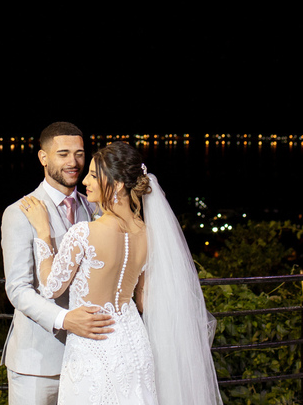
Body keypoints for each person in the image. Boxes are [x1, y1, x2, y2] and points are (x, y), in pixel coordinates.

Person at [19, 141, 223, 405]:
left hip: (93, 344)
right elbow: (142, 301)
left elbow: (50, 287)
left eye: (94, 175)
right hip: (134, 346)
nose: (85, 182)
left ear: (115, 185)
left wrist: (43, 233)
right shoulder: (148, 233)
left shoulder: (84, 233)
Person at [1, 122, 116, 405]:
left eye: (79, 154)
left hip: (88, 356)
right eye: (63, 154)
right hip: (37, 363)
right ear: (44, 158)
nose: (73, 162)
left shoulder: (95, 207)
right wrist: (65, 320)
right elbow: (17, 289)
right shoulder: (19, 212)